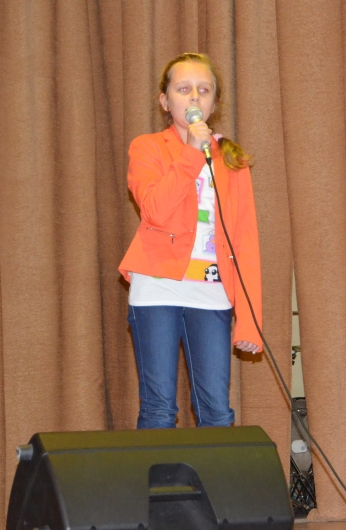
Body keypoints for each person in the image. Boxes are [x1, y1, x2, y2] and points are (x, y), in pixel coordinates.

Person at [119, 53, 263, 429]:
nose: (194, 97)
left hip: (211, 291)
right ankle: (157, 472)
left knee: (217, 411)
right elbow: (155, 209)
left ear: (215, 102)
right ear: (165, 101)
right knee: (159, 409)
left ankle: (217, 473)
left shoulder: (231, 159)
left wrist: (249, 321)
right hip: (157, 288)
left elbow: (244, 241)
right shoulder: (147, 148)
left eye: (204, 90)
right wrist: (190, 154)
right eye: (183, 89)